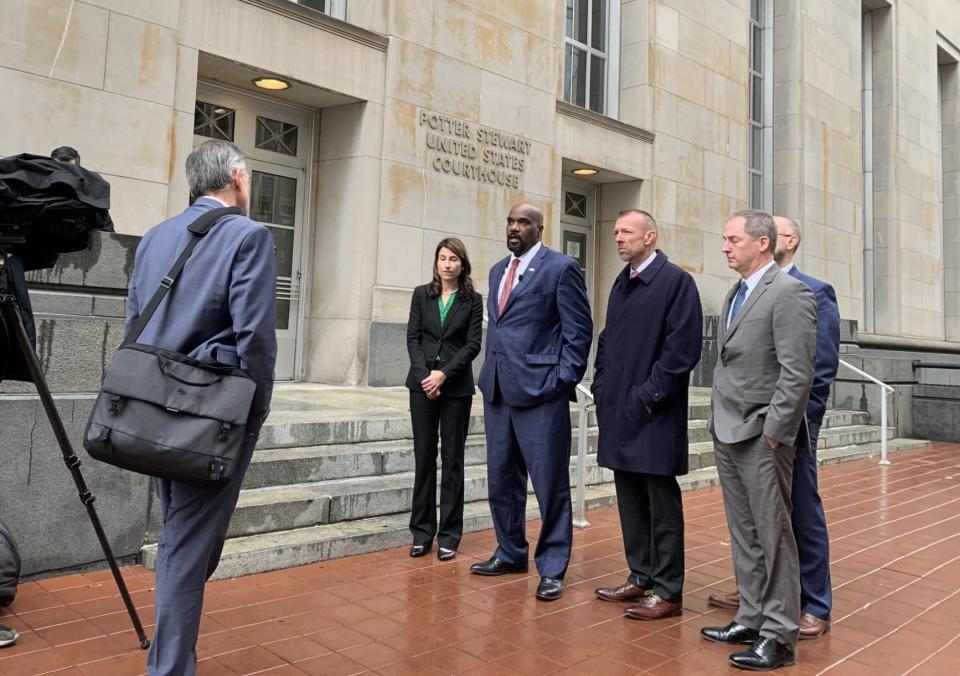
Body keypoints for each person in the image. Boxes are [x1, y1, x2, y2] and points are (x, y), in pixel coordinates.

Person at [128, 139, 277, 676]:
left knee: (185, 539)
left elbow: (133, 330)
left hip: (150, 412)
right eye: (250, 177)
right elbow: (255, 337)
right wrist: (255, 411)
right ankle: (168, 668)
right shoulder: (249, 236)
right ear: (237, 176)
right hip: (212, 418)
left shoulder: (154, 238)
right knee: (187, 551)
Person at [708, 216, 839, 639]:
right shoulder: (736, 292)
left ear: (762, 243)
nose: (725, 247)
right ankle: (750, 616)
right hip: (729, 430)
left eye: (733, 239)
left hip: (764, 435)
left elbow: (798, 371)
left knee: (774, 533)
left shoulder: (790, 291)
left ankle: (779, 634)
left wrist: (776, 433)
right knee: (744, 532)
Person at [471, 203, 593, 602]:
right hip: (498, 392)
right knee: (501, 480)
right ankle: (510, 552)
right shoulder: (496, 270)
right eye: (510, 221)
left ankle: (553, 566)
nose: (514, 227)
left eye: (523, 222)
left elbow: (578, 331)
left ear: (540, 228)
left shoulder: (560, 268)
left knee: (549, 485)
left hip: (542, 393)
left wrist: (563, 380)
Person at [591, 210, 702, 620]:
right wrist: (601, 387)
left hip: (652, 414)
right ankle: (641, 575)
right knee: (630, 500)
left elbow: (681, 352)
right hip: (619, 410)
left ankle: (668, 591)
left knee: (661, 503)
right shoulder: (623, 282)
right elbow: (607, 340)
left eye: (626, 232)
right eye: (616, 231)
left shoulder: (676, 283)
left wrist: (645, 397)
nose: (618, 238)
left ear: (650, 237)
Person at [405, 237, 483, 560]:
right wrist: (426, 375)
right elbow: (413, 337)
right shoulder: (421, 295)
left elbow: (473, 344)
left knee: (452, 461)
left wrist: (444, 374)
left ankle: (449, 534)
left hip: (455, 389)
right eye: (442, 258)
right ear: (435, 263)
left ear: (462, 264)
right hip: (422, 387)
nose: (447, 264)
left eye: (453, 259)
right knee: (424, 458)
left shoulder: (473, 300)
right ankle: (422, 532)